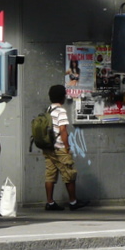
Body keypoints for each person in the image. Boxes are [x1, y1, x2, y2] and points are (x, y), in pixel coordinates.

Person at [43, 84, 89, 212]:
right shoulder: (61, 111)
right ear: (62, 97)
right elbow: (63, 130)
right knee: (69, 173)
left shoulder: (49, 109)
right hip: (59, 147)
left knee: (50, 174)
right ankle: (73, 202)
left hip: (48, 148)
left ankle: (50, 202)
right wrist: (67, 147)